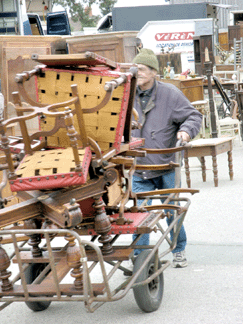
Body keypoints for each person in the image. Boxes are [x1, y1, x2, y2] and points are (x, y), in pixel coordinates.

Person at [131, 49, 202, 268]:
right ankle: (140, 258)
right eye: (135, 69)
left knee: (172, 210)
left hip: (167, 164)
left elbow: (194, 115)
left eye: (141, 69)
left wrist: (186, 132)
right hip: (139, 165)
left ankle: (178, 249)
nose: (137, 73)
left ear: (153, 72)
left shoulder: (170, 93)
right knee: (140, 214)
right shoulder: (127, 93)